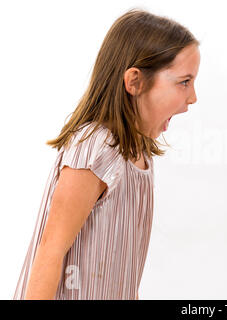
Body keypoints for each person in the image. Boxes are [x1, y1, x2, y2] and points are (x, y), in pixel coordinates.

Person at [13, 9, 200, 300]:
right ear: (134, 82)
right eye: (184, 82)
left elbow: (123, 272)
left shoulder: (139, 154)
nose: (193, 97)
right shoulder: (96, 149)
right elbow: (51, 249)